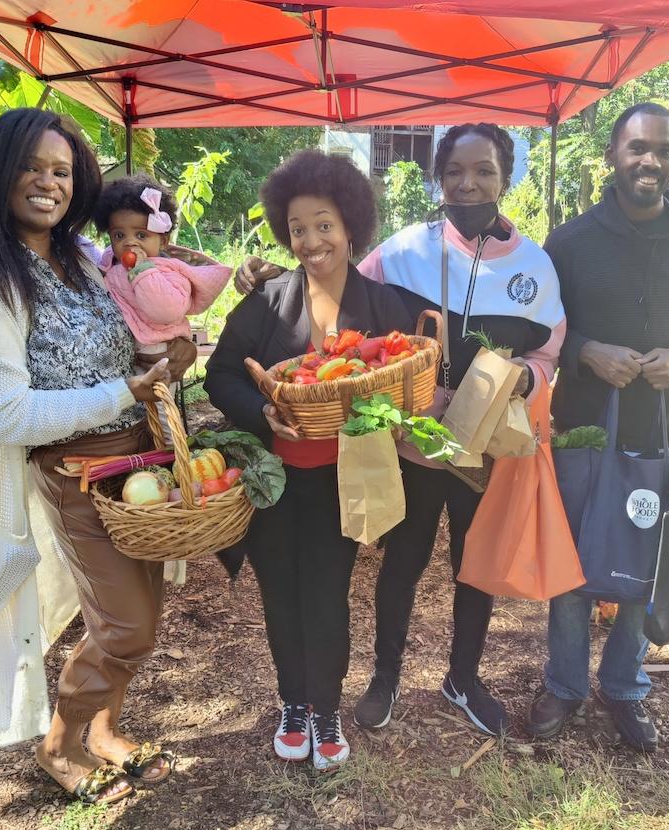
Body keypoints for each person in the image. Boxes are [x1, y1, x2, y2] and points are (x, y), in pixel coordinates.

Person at [241, 124, 566, 735]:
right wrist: (269, 276)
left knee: (476, 563)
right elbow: (330, 272)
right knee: (404, 559)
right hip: (414, 444)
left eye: (484, 171)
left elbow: (551, 355)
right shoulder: (403, 250)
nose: (468, 184)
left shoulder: (535, 268)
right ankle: (385, 676)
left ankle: (463, 678)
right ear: (437, 180)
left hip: (485, 449)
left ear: (506, 177)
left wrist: (526, 376)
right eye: (454, 173)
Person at [0, 108, 175, 804]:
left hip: (138, 462)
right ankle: (58, 745)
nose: (49, 183)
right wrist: (122, 391)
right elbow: (5, 413)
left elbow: (122, 334)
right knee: (126, 625)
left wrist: (162, 354)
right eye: (32, 167)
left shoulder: (77, 256)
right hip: (78, 472)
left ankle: (103, 727)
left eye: (62, 171)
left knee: (143, 611)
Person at [528, 102, 669, 752]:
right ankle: (563, 685)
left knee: (646, 570)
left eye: (664, 150)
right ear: (614, 157)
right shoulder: (569, 242)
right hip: (583, 430)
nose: (651, 161)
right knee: (573, 566)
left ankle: (624, 687)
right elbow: (540, 331)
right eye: (638, 148)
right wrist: (588, 350)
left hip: (665, 433)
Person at [204, 150, 412, 770]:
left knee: (326, 593)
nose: (311, 240)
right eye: (298, 229)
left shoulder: (383, 305)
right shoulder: (268, 300)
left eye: (324, 224)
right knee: (280, 594)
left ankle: (325, 709)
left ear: (350, 226)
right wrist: (259, 413)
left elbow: (407, 386)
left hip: (341, 482)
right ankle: (291, 701)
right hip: (273, 481)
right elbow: (220, 374)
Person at [93, 174, 232, 380]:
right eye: (119, 235)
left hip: (157, 347)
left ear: (163, 241)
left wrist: (143, 272)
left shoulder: (169, 271)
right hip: (126, 352)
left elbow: (166, 311)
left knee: (158, 405)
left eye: (141, 235)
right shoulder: (112, 263)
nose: (129, 243)